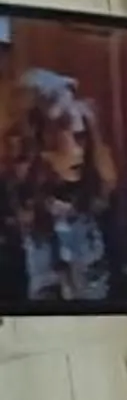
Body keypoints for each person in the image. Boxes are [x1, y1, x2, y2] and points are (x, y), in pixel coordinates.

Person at [2, 66, 118, 303]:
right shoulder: (7, 207)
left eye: (81, 138)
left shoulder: (97, 198)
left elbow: (118, 279)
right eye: (60, 139)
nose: (78, 153)